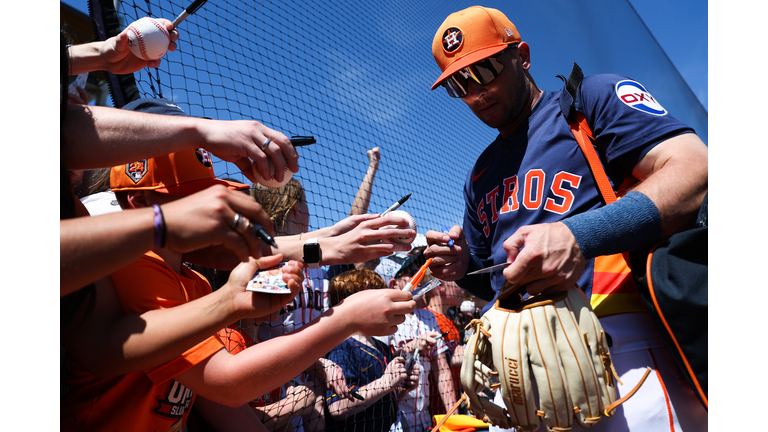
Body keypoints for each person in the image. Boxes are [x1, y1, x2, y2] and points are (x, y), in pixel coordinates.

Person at [423, 6, 708, 432]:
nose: (475, 92)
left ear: (521, 56)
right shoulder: (479, 174)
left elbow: (695, 169)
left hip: (614, 340)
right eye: (459, 85)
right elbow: (492, 278)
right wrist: (463, 268)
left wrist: (578, 234)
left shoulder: (587, 101)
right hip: (518, 368)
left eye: (483, 71)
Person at [61, 141, 417, 431]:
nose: (214, 209)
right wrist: (345, 319)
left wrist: (328, 239)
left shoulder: (194, 279)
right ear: (140, 202)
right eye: (194, 197)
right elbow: (227, 383)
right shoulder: (135, 268)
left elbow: (220, 407)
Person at [324, 268, 420, 432]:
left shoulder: (380, 346)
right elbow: (337, 407)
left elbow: (382, 401)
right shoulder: (342, 345)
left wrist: (402, 389)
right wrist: (385, 383)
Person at [379, 252, 460, 432]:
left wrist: (453, 417)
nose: (421, 278)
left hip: (424, 423)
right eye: (413, 273)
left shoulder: (428, 317)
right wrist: (410, 347)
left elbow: (442, 370)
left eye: (421, 272)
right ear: (394, 283)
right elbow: (377, 363)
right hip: (393, 424)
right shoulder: (384, 317)